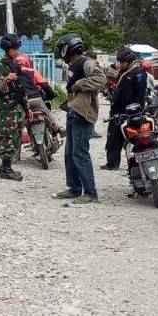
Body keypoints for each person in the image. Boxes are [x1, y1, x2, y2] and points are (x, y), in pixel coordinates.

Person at [53, 33, 107, 204]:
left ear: (70, 48)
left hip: (83, 114)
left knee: (80, 153)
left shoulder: (87, 63)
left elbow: (101, 79)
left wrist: (79, 85)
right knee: (70, 154)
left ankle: (90, 193)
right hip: (73, 112)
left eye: (62, 48)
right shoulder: (73, 65)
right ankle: (74, 188)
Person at [101, 47, 148, 171]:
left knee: (129, 139)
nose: (120, 64)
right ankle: (113, 163)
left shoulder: (136, 73)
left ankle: (134, 164)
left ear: (129, 61)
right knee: (115, 138)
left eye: (122, 62)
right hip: (120, 111)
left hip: (128, 112)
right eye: (119, 62)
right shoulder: (125, 72)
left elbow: (138, 95)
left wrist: (135, 110)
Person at [0, 34, 27, 181]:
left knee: (15, 137)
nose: (17, 51)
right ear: (8, 49)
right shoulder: (0, 66)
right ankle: (5, 168)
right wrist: (6, 79)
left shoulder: (14, 65)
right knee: (7, 138)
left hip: (17, 107)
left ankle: (7, 167)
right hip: (7, 108)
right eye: (15, 49)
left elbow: (21, 87)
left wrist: (26, 108)